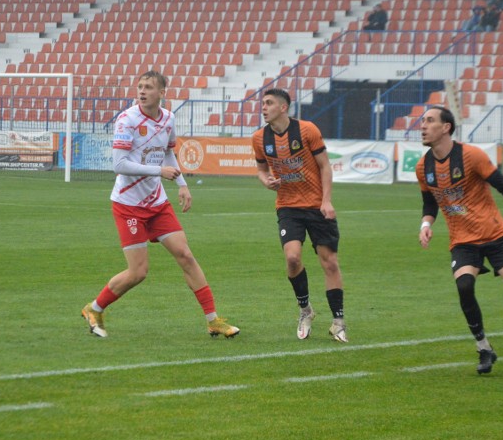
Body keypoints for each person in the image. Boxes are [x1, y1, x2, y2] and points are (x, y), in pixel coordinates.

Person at [81, 70, 239, 339]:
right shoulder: (127, 119)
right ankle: (94, 308)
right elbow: (118, 165)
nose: (142, 91)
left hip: (157, 202)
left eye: (149, 87)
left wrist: (182, 185)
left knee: (186, 256)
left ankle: (214, 320)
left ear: (162, 93)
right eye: (140, 86)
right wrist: (158, 172)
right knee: (138, 272)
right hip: (128, 204)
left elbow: (167, 151)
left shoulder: (168, 118)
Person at [415, 107, 503, 376]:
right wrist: (425, 225)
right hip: (463, 241)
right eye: (422, 121)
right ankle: (484, 348)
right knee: (465, 286)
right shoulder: (423, 166)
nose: (423, 126)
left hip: (495, 235)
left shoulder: (471, 155)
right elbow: (429, 202)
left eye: (430, 121)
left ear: (446, 128)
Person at [251, 89, 347, 343]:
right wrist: (266, 180)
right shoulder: (259, 138)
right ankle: (305, 310)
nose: (264, 107)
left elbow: (325, 166)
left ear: (283, 107)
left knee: (330, 262)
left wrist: (326, 201)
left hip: (316, 206)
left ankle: (338, 320)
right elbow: (261, 169)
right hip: (288, 206)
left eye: (269, 103)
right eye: (263, 103)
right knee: (292, 259)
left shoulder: (307, 130)